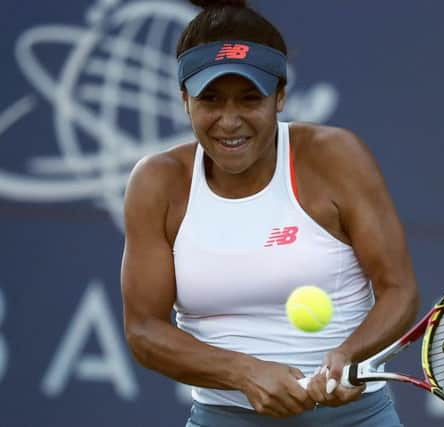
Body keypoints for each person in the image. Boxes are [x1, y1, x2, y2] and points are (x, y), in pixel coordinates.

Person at [120, 0, 419, 425]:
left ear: (279, 97)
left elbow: (399, 289)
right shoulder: (157, 182)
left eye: (249, 99)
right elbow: (144, 331)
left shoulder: (335, 157)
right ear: (184, 99)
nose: (229, 121)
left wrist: (348, 357)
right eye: (210, 99)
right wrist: (244, 372)